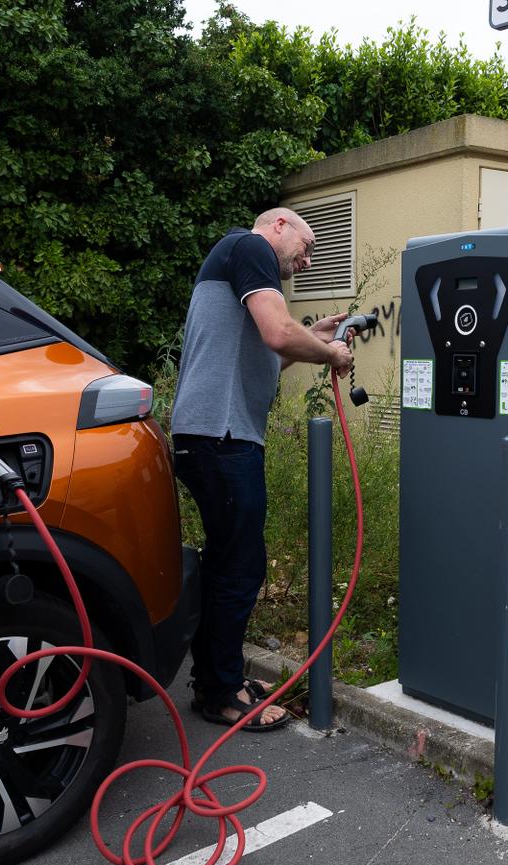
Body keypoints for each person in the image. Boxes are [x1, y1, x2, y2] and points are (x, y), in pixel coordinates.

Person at [169, 208, 354, 731]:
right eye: (307, 244)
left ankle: (214, 678)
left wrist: (312, 337)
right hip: (222, 438)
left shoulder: (232, 261)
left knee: (228, 563)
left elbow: (266, 354)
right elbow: (277, 333)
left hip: (210, 436)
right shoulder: (250, 248)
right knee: (241, 568)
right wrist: (330, 352)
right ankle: (221, 694)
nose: (308, 258)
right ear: (277, 226)